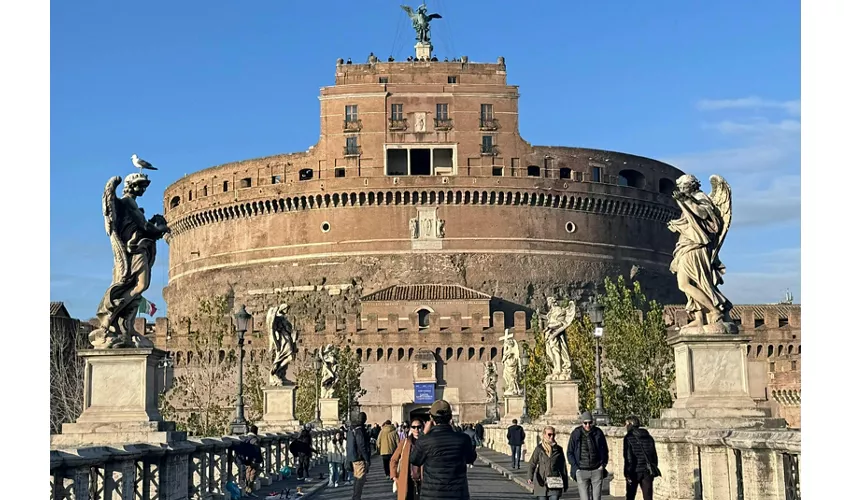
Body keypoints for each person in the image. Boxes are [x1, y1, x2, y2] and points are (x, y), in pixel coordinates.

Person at [409, 400, 477, 500]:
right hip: (457, 493)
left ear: (431, 418)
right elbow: (471, 458)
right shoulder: (463, 439)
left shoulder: (424, 440)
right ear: (450, 417)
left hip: (432, 494)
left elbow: (414, 459)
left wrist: (423, 434)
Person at [567, 412, 609, 500]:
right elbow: (570, 452)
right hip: (581, 470)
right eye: (585, 423)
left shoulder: (598, 433)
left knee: (597, 498)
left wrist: (602, 465)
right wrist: (576, 468)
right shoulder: (576, 433)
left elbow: (605, 450)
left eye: (590, 423)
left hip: (596, 470)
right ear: (582, 423)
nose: (588, 425)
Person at [623, 416, 660, 500]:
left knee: (630, 496)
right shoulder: (649, 437)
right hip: (647, 471)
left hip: (634, 471)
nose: (625, 426)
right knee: (648, 497)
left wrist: (627, 473)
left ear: (630, 425)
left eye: (626, 424)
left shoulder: (628, 438)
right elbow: (654, 455)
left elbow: (628, 458)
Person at [527, 426, 568, 500]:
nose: (551, 437)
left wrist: (565, 483)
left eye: (553, 435)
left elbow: (563, 467)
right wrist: (530, 477)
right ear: (544, 435)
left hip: (555, 482)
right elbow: (532, 463)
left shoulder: (558, 449)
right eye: (549, 434)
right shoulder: (539, 449)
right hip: (541, 482)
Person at [390, 418, 424, 500]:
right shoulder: (405, 442)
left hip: (423, 481)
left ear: (422, 427)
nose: (416, 429)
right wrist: (394, 476)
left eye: (419, 427)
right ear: (410, 428)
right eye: (414, 427)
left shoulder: (426, 442)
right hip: (407, 480)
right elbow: (394, 459)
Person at [347, 412, 371, 500]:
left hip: (353, 457)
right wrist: (367, 458)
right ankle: (356, 498)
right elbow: (361, 445)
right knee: (360, 480)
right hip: (359, 457)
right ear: (364, 419)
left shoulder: (351, 429)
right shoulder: (359, 430)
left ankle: (356, 497)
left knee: (357, 479)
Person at [234, 425, 263, 498]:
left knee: (247, 474)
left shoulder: (245, 439)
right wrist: (257, 460)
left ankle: (246, 490)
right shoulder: (255, 440)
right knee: (252, 475)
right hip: (253, 461)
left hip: (246, 460)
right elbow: (256, 451)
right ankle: (249, 490)